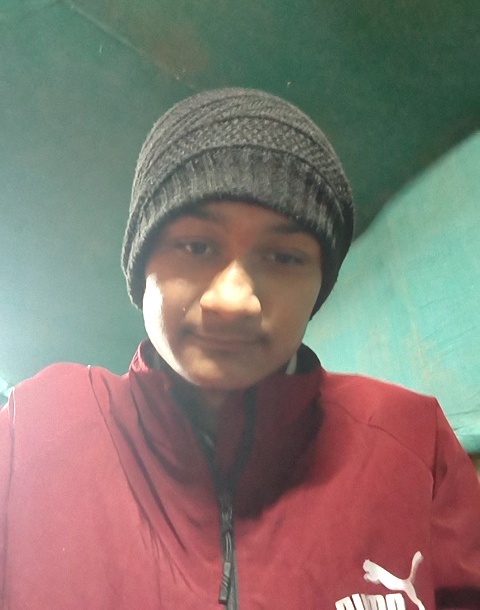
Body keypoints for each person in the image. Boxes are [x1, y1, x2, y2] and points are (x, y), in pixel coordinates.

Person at [0, 88, 479, 610]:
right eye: (197, 246)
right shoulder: (34, 432)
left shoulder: (410, 441)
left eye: (283, 257)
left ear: (319, 286)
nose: (233, 300)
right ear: (142, 263)